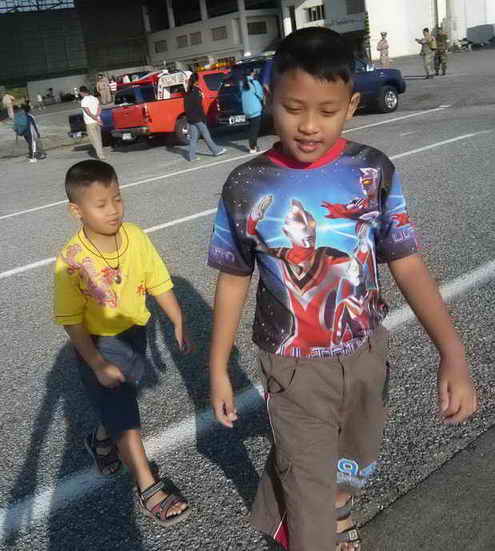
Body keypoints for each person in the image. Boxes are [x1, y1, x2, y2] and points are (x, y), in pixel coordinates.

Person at [207, 27, 477, 551]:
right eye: (293, 108)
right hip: (292, 365)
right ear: (270, 97)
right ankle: (313, 527)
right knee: (308, 483)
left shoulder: (372, 171)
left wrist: (453, 352)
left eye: (327, 111)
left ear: (351, 105)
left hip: (366, 353)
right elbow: (234, 275)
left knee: (353, 462)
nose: (309, 125)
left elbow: (407, 263)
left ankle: (327, 507)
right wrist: (217, 366)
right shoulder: (246, 185)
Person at [54, 159, 192, 526]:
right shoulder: (71, 260)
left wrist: (178, 319)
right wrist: (97, 362)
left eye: (117, 198)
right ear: (76, 211)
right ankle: (148, 486)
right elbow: (71, 320)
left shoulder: (135, 236)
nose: (113, 209)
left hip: (134, 332)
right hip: (98, 342)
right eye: (101, 204)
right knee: (125, 412)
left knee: (121, 398)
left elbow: (158, 280)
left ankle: (101, 441)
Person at [184, 72, 226, 162]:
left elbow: (186, 107)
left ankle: (192, 156)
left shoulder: (187, 92)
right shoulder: (197, 91)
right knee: (206, 135)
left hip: (191, 118)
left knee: (194, 138)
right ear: (197, 81)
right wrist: (203, 118)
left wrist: (188, 119)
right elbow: (199, 106)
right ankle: (216, 150)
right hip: (198, 117)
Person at [240, 69, 264, 153]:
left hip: (246, 110)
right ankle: (253, 147)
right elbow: (260, 95)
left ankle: (253, 146)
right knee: (254, 130)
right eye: (253, 72)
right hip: (255, 110)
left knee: (251, 129)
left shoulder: (241, 83)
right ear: (252, 73)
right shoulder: (255, 82)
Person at [79, 85, 105, 160]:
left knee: (94, 139)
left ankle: (100, 155)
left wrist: (95, 119)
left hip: (90, 122)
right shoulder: (94, 98)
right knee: (99, 138)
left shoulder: (83, 101)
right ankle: (101, 153)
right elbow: (99, 108)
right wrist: (98, 118)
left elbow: (88, 113)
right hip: (97, 120)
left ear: (81, 92)